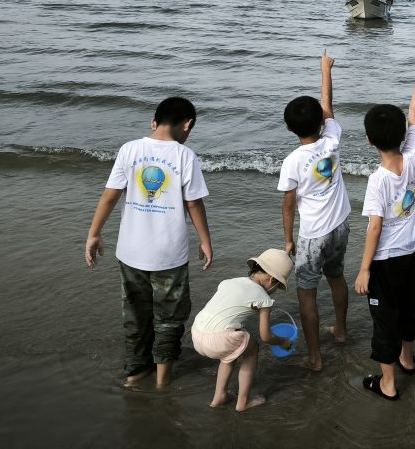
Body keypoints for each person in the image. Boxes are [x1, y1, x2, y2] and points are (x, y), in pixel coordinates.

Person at [85, 96, 213, 387]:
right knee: (170, 316)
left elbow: (110, 195)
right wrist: (205, 240)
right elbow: (194, 203)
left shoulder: (129, 149)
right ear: (187, 124)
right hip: (169, 254)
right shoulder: (185, 155)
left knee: (135, 313)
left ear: (153, 122)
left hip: (130, 252)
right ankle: (162, 379)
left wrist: (94, 233)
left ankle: (135, 372)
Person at [354, 49, 415, 401]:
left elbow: (375, 227)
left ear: (369, 140)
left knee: (385, 318)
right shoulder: (414, 156)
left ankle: (387, 383)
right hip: (411, 253)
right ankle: (407, 358)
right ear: (403, 135)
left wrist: (364, 269)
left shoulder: (378, 180)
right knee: (409, 306)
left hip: (385, 261)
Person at [278, 50, 351, 371]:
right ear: (322, 122)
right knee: (336, 276)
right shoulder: (332, 139)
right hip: (340, 226)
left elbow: (288, 204)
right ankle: (341, 330)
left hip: (314, 234)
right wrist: (326, 70)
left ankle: (315, 358)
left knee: (306, 292)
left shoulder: (292, 161)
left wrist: (288, 240)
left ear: (289, 128)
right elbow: (329, 106)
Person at [191, 249, 294, 411]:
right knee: (252, 348)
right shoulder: (264, 299)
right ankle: (243, 402)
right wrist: (283, 342)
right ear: (271, 279)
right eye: (277, 286)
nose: (275, 291)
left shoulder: (229, 282)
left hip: (197, 332)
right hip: (219, 340)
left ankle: (219, 397)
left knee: (233, 347)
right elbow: (266, 336)